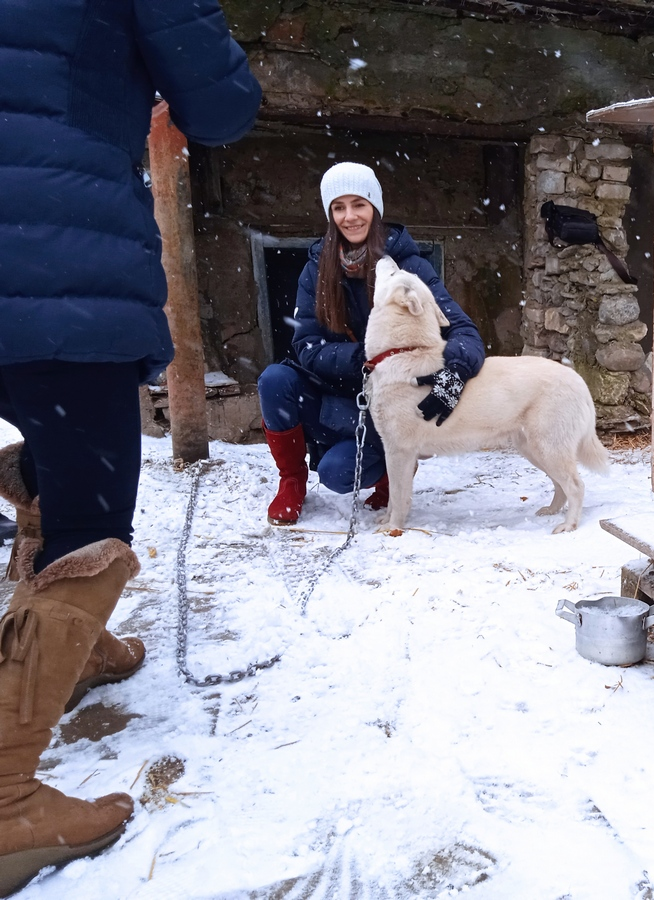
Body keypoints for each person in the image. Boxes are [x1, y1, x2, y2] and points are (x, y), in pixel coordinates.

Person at [0, 0, 260, 891]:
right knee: (91, 507)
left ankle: (73, 649)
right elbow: (224, 107)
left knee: (46, 448)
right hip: (50, 255)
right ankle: (4, 802)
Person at [257, 162, 486, 525]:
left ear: (374, 208)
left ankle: (391, 471)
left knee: (337, 474)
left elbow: (464, 332)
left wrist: (455, 369)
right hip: (333, 388)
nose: (350, 217)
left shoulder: (409, 267)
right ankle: (291, 481)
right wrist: (369, 359)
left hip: (387, 403)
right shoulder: (316, 269)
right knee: (274, 380)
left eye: (358, 204)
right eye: (338, 207)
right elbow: (306, 346)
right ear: (330, 215)